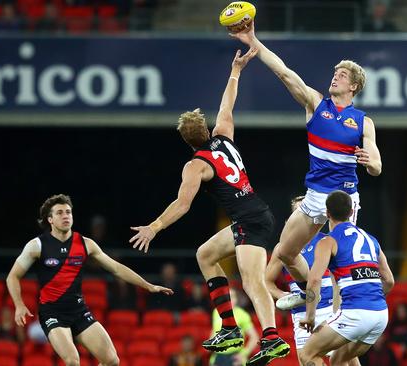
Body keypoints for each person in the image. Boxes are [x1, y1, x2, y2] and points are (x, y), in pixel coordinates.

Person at [129, 47, 291, 365]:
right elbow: (227, 103)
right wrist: (236, 71)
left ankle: (272, 338)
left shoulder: (195, 164)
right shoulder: (224, 135)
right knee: (205, 254)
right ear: (206, 130)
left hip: (249, 220)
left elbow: (182, 204)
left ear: (187, 141)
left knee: (252, 281)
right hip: (254, 215)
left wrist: (155, 226)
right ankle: (229, 326)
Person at [231, 23, 382, 292]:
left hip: (343, 200)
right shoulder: (315, 103)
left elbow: (377, 166)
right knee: (285, 252)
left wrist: (370, 163)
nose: (335, 77)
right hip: (314, 195)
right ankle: (312, 294)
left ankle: (336, 310)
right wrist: (253, 40)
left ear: (354, 86)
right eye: (335, 72)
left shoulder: (363, 122)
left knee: (340, 263)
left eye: (343, 75)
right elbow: (284, 73)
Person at [6, 194, 173, 366]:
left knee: (112, 361)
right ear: (50, 219)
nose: (66, 216)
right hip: (52, 313)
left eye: (68, 212)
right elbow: (13, 276)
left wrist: (148, 286)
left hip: (79, 311)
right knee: (72, 361)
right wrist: (19, 304)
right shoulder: (37, 245)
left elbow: (116, 268)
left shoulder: (86, 244)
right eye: (60, 213)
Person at [298, 190, 394, 365]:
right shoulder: (372, 240)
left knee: (307, 354)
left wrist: (310, 317)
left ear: (327, 213)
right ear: (351, 212)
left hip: (355, 313)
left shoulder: (328, 241)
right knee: (338, 360)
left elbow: (314, 280)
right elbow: (389, 280)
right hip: (380, 315)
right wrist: (371, 299)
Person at [265, 196, 338, 364]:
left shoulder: (328, 241)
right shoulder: (282, 248)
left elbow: (339, 276)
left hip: (329, 308)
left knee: (344, 360)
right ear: (292, 219)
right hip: (302, 313)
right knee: (308, 361)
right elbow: (266, 281)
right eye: (301, 212)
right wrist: (282, 295)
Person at [209, 289, 259, 366]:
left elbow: (254, 337)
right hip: (217, 357)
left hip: (234, 357)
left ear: (236, 299)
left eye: (232, 296)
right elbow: (214, 329)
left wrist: (244, 354)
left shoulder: (242, 315)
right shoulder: (216, 312)